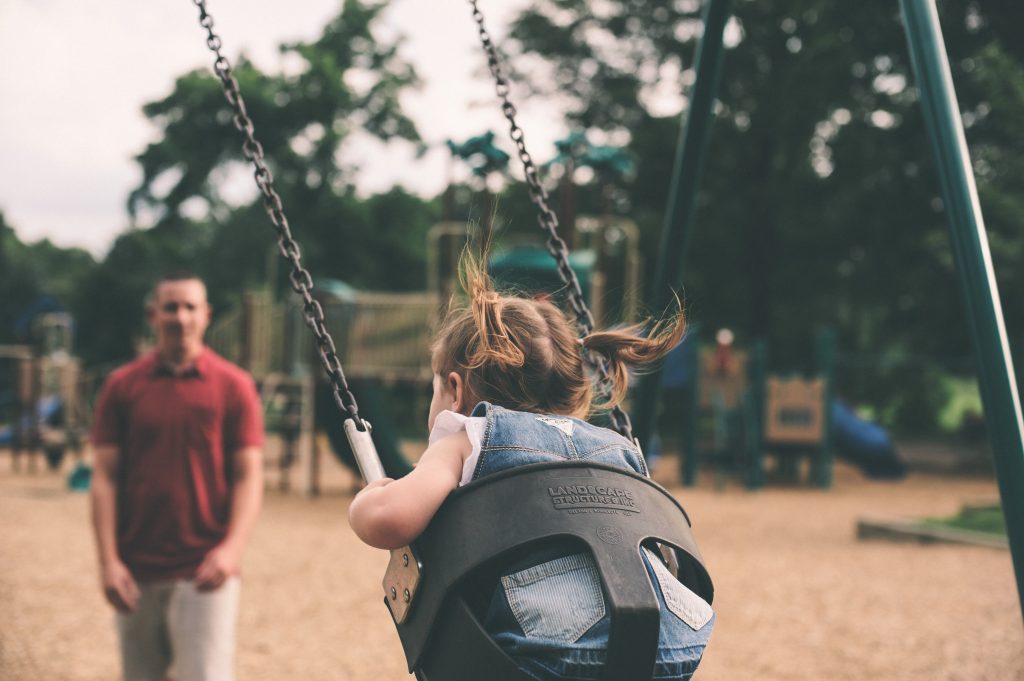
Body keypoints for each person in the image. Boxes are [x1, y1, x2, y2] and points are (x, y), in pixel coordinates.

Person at [348, 256, 714, 681]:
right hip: (674, 637)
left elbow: (388, 520)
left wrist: (374, 494)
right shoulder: (616, 447)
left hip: (557, 644)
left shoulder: (469, 434)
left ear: (454, 390)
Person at [90, 272, 264, 681]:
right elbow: (104, 478)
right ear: (153, 314)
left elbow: (248, 477)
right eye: (171, 307)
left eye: (190, 307)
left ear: (205, 315)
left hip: (204, 568)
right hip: (136, 568)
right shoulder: (121, 386)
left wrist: (231, 550)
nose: (180, 317)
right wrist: (108, 561)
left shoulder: (234, 387)